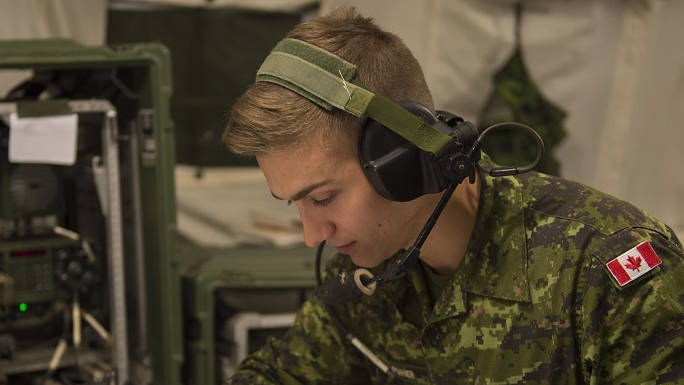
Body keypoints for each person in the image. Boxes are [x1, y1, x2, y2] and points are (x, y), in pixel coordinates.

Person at [222, 6, 684, 385]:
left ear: (399, 156)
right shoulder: (374, 275)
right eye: (294, 204)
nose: (311, 235)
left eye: (322, 198)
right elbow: (278, 374)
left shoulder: (607, 268)